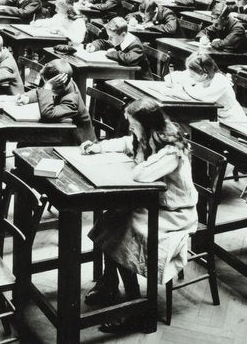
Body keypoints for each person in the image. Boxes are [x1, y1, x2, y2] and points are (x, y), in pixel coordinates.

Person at [82, 100, 197, 334]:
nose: (130, 127)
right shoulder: (148, 136)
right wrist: (99, 147)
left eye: (133, 124)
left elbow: (143, 174)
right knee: (112, 219)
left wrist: (140, 157)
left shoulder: (171, 150)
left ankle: (136, 309)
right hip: (152, 204)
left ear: (147, 124)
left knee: (124, 231)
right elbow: (127, 142)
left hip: (174, 213)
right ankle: (111, 284)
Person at [16, 59, 95, 144]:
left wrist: (48, 86)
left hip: (78, 143)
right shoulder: (64, 83)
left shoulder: (72, 99)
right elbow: (42, 91)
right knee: (24, 141)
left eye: (47, 82)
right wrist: (27, 98)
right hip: (63, 132)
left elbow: (48, 114)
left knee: (25, 142)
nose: (46, 85)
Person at [164, 53, 247, 122]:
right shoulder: (203, 76)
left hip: (231, 120)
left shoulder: (220, 80)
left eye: (192, 75)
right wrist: (171, 78)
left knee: (184, 120)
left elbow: (202, 96)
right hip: (214, 116)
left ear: (204, 75)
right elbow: (182, 75)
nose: (190, 76)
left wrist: (184, 86)